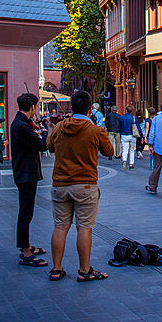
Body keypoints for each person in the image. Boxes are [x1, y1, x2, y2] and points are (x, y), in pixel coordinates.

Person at [47, 89, 113, 282]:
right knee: (84, 227)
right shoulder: (95, 130)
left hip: (60, 183)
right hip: (85, 184)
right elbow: (109, 151)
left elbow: (49, 147)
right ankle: (84, 270)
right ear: (89, 109)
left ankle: (56, 268)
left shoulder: (60, 127)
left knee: (60, 226)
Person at [10, 92, 49, 267]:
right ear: (32, 107)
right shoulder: (22, 126)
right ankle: (25, 250)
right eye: (36, 107)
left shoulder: (21, 123)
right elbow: (41, 145)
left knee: (26, 211)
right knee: (26, 213)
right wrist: (45, 132)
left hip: (24, 172)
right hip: (26, 173)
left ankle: (26, 245)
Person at [119, 105, 141, 170]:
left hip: (124, 134)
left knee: (124, 150)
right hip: (132, 135)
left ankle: (124, 161)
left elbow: (119, 126)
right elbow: (138, 127)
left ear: (126, 110)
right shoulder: (134, 118)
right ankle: (131, 164)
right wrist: (141, 136)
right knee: (131, 150)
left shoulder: (122, 117)